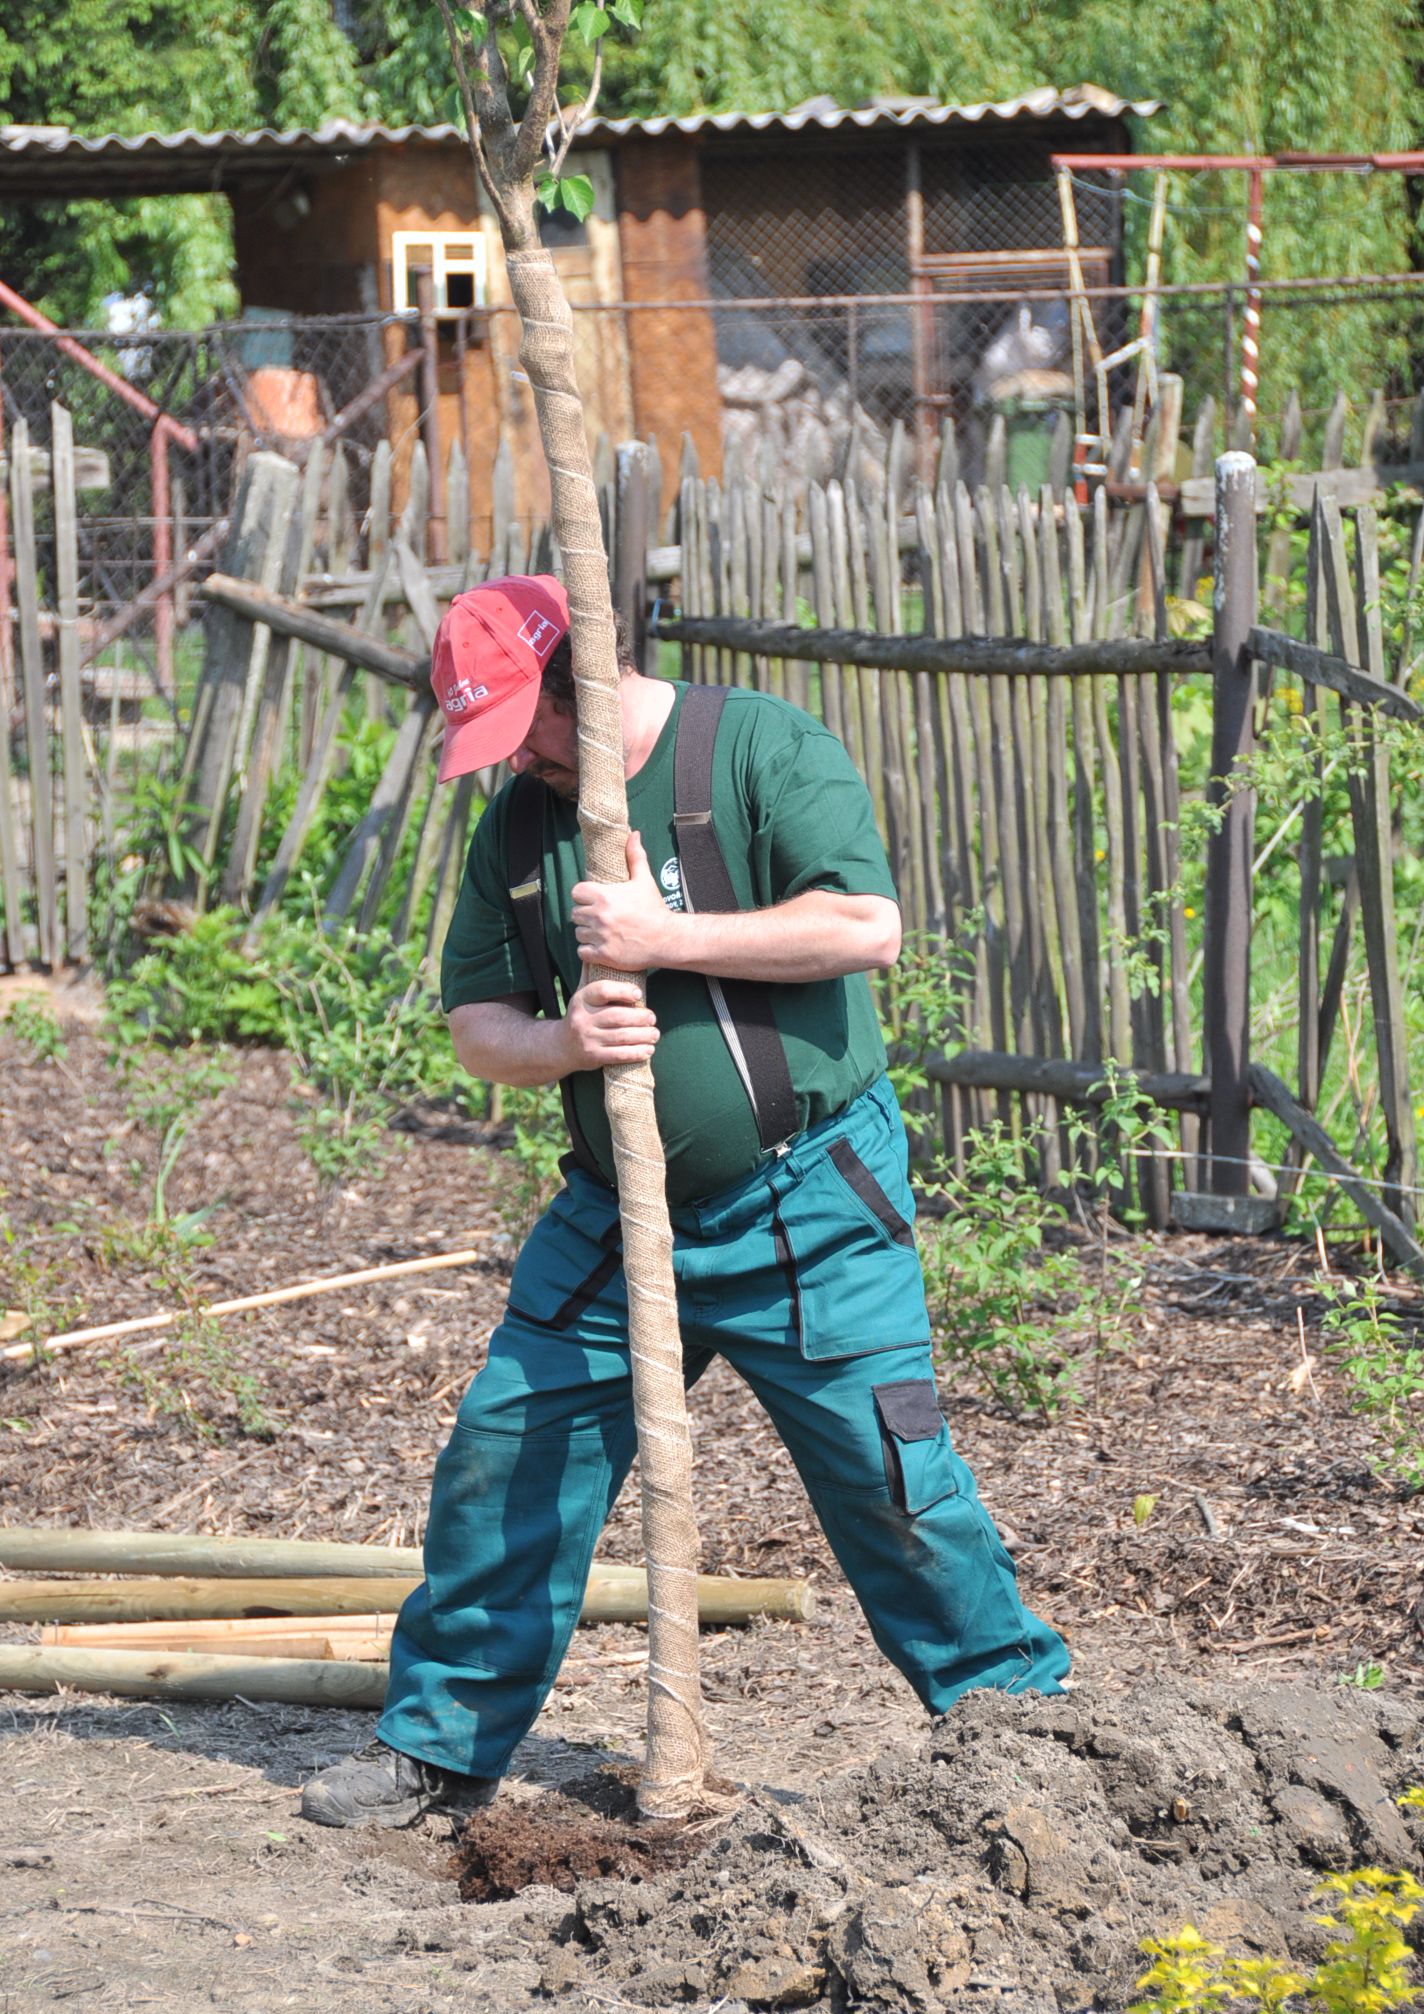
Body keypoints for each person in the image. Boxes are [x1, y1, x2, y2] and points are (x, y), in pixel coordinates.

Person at [302, 573, 1069, 1829]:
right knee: (509, 1449)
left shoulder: (756, 746)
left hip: (807, 1199)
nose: (524, 762)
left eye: (526, 727)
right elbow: (475, 1023)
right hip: (617, 1212)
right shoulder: (517, 828)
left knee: (893, 1472)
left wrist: (664, 938)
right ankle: (439, 1747)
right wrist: (559, 1040)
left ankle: (1027, 1732)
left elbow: (863, 926)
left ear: (579, 680)